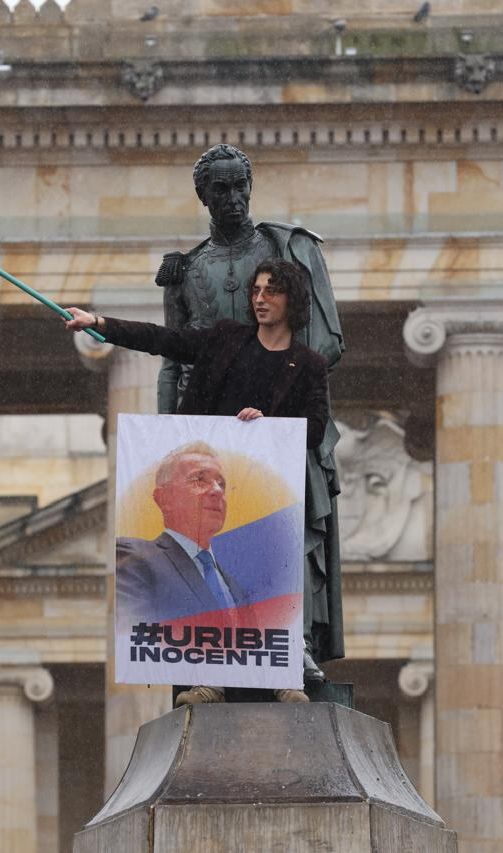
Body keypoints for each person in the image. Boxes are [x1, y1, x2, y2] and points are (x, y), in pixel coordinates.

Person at [64, 258, 328, 704]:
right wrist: (100, 324)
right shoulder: (228, 340)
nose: (260, 300)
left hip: (264, 478)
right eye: (256, 291)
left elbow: (317, 427)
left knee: (267, 575)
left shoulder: (306, 364)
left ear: (292, 301)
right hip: (209, 462)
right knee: (208, 578)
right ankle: (208, 681)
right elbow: (164, 340)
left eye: (271, 292)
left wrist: (270, 421)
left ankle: (283, 676)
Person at [153, 144, 345, 680]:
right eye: (222, 189)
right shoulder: (186, 271)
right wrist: (166, 436)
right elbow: (172, 358)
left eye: (242, 186)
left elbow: (327, 345)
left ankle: (294, 640)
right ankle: (212, 651)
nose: (235, 199)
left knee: (290, 524)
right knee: (209, 534)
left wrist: (271, 387)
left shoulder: (290, 253)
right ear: (203, 197)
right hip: (213, 424)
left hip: (279, 418)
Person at [116, 442, 248, 624]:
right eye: (199, 479)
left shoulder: (237, 589)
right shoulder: (133, 558)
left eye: (221, 484)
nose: (217, 491)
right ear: (164, 499)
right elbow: (133, 639)